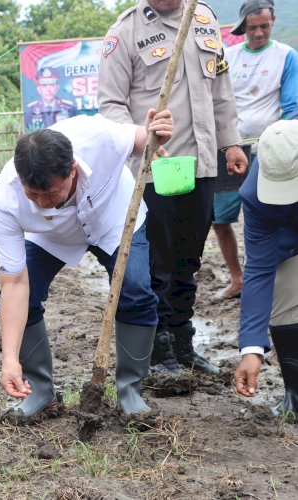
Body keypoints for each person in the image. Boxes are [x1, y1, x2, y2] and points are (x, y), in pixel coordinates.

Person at [98, 0, 249, 375]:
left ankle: (182, 342)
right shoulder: (125, 31)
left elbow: (221, 87)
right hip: (155, 166)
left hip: (201, 164)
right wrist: (140, 136)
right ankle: (157, 348)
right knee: (157, 263)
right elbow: (110, 105)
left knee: (189, 260)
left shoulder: (203, 18)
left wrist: (230, 141)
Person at [0, 108, 173, 417]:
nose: (42, 202)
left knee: (136, 291)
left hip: (113, 219)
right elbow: (14, 283)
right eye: (31, 194)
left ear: (73, 170)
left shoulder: (100, 137)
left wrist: (158, 131)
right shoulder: (4, 200)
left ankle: (130, 392)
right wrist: (10, 359)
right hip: (52, 235)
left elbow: (142, 139)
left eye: (50, 192)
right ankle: (41, 394)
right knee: (26, 296)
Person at [212, 0, 298, 300]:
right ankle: (237, 278)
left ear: (273, 22)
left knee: (268, 213)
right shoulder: (228, 56)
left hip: (269, 149)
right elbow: (218, 99)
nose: (259, 33)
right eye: (252, 28)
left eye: (265, 26)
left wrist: (286, 140)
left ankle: (273, 277)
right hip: (230, 146)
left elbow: (292, 106)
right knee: (220, 217)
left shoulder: (286, 56)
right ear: (242, 28)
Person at [233, 119, 298, 418]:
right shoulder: (255, 195)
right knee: (283, 293)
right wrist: (251, 349)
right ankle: (295, 397)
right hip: (290, 241)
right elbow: (259, 270)